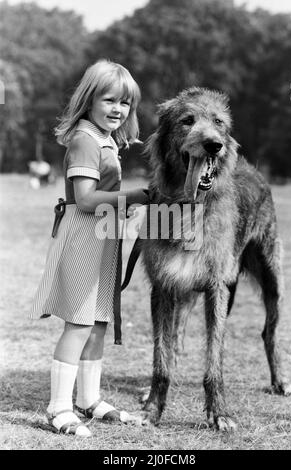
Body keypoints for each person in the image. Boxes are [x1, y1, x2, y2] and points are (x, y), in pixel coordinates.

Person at [29, 59, 149, 437]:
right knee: (79, 323)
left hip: (103, 236)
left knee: (97, 323)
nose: (118, 109)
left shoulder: (106, 139)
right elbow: (83, 199)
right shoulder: (84, 138)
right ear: (89, 100)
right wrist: (136, 195)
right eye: (109, 100)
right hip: (83, 236)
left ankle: (89, 399)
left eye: (125, 103)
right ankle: (59, 407)